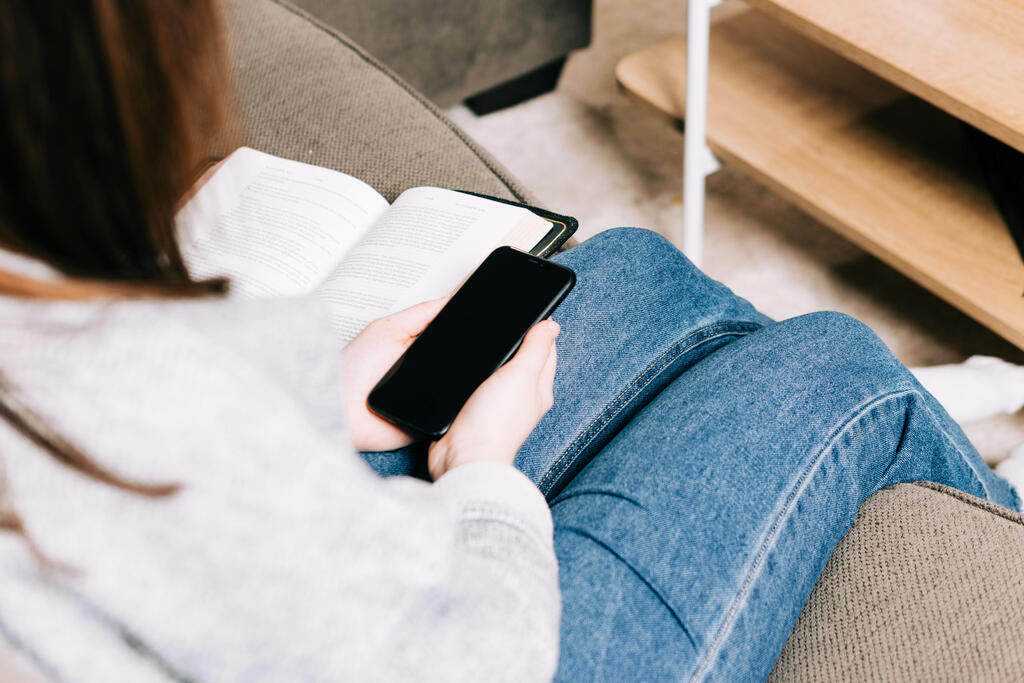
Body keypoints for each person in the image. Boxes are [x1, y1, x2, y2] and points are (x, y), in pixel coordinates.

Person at [0, 2, 1019, 682]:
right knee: (836, 368)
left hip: (220, 562)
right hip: (471, 648)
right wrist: (485, 476)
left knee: (621, 271)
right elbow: (465, 660)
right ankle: (962, 496)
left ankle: (834, 450)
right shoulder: (120, 387)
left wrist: (311, 388)